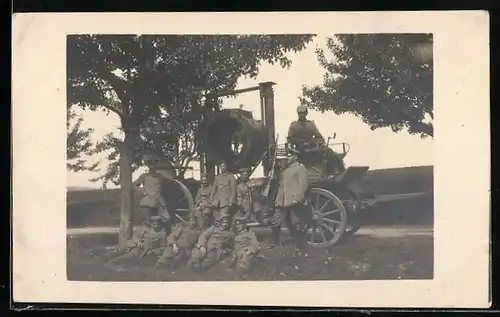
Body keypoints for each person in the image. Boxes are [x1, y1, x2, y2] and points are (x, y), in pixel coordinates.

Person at [268, 154, 310, 251]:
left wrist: (298, 198)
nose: (280, 162)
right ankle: (275, 242)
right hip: (282, 201)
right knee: (275, 221)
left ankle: (301, 246)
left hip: (293, 201)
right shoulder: (285, 170)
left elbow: (303, 186)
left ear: (293, 158)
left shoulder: (300, 169)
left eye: (289, 156)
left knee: (296, 224)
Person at [133, 153, 171, 225]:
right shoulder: (144, 176)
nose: (153, 167)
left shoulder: (160, 177)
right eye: (150, 164)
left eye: (155, 164)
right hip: (149, 199)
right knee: (148, 220)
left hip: (159, 200)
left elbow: (168, 185)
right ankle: (149, 227)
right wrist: (142, 191)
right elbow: (134, 186)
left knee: (167, 219)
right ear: (148, 166)